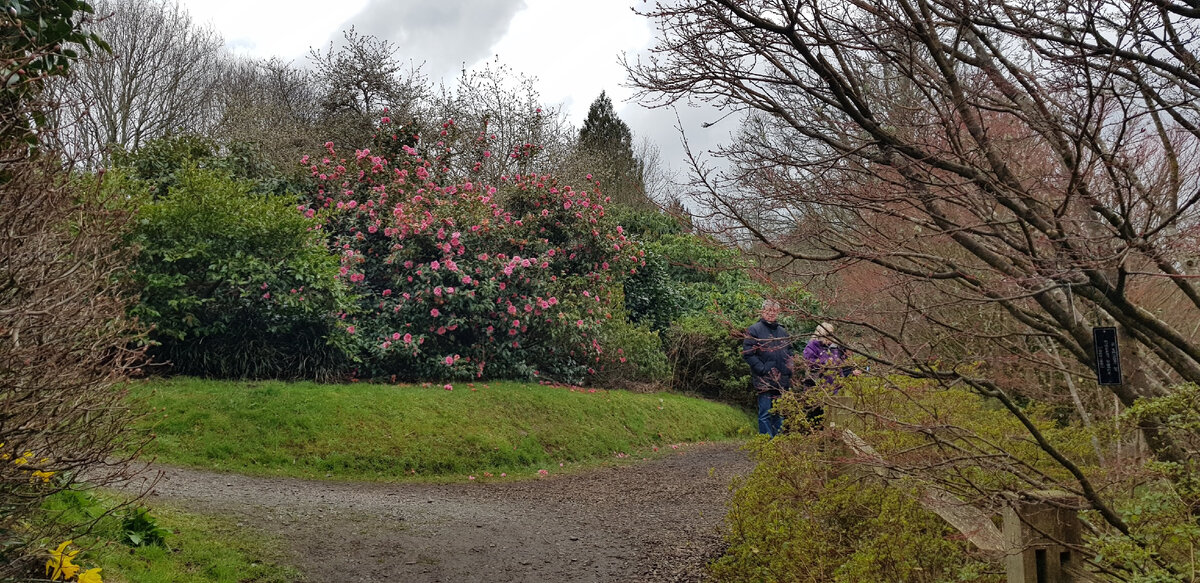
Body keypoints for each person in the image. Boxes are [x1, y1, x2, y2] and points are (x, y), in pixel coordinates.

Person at [743, 299, 793, 438]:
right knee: (765, 413)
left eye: (774, 311)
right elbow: (748, 354)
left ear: (778, 312)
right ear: (763, 311)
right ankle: (767, 443)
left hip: (781, 380)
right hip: (764, 380)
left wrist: (789, 369)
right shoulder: (754, 330)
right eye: (768, 310)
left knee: (779, 414)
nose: (771, 313)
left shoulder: (783, 331)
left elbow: (791, 353)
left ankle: (778, 444)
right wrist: (762, 369)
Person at [799, 322, 857, 429]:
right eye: (829, 334)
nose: (831, 338)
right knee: (816, 421)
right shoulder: (812, 346)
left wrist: (848, 375)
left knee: (832, 422)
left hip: (833, 389)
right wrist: (826, 362)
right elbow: (810, 364)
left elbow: (841, 365)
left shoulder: (834, 348)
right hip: (816, 389)